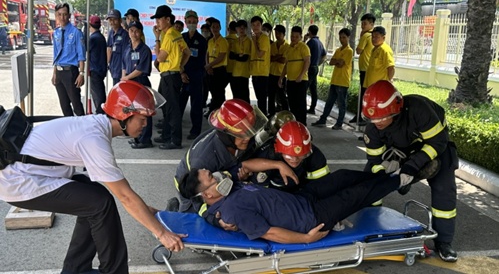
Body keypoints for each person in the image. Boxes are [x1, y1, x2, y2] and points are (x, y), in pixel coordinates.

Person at [0, 81, 185, 273]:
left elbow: (123, 192)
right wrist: (162, 233)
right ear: (125, 114)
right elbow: (125, 197)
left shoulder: (96, 126)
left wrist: (144, 209)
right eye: (142, 118)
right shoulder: (94, 139)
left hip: (34, 174)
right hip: (20, 182)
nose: (146, 125)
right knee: (99, 203)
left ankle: (75, 269)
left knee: (96, 197)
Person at [361, 80, 458, 262]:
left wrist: (411, 168)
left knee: (444, 190)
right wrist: (383, 174)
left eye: (381, 118)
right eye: (372, 119)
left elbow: (437, 142)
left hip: (436, 146)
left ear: (396, 110)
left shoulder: (419, 110)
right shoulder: (373, 128)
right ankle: (369, 227)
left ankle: (444, 242)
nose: (377, 123)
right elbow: (374, 160)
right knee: (369, 181)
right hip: (401, 149)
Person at [178, 166, 405, 244]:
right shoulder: (231, 212)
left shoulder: (227, 191)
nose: (218, 176)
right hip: (310, 218)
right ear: (207, 193)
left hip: (303, 198)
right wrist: (306, 239)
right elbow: (270, 234)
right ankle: (401, 179)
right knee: (358, 195)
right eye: (212, 178)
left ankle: (385, 173)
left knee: (343, 176)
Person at [170, 99, 270, 216]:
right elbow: (198, 199)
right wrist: (215, 219)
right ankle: (173, 211)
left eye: (249, 132)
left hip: (218, 177)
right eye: (242, 135)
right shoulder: (204, 161)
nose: (247, 139)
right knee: (192, 221)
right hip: (192, 187)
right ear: (227, 135)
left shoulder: (237, 138)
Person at [244, 121, 330, 193]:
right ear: (278, 150)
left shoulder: (315, 156)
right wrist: (279, 165)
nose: (295, 159)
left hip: (303, 194)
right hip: (273, 197)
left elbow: (323, 186)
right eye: (289, 156)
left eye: (301, 155)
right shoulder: (266, 156)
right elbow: (259, 194)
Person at [151, 5, 190, 150]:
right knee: (166, 106)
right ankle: (167, 135)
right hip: (169, 75)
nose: (157, 22)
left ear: (168, 19)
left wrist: (156, 39)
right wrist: (181, 66)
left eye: (159, 19)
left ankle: (175, 140)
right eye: (156, 19)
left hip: (170, 76)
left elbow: (160, 58)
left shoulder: (168, 36)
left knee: (172, 108)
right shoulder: (175, 34)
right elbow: (187, 52)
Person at [312, 28, 353, 130]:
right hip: (335, 80)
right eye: (340, 37)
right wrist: (337, 61)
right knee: (329, 102)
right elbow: (331, 62)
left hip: (343, 81)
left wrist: (337, 61)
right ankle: (323, 120)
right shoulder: (338, 50)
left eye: (344, 37)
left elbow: (340, 63)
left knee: (341, 104)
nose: (341, 39)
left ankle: (339, 123)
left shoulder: (349, 51)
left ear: (348, 38)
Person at [121, 21, 154, 149]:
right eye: (131, 31)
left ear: (141, 33)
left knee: (144, 112)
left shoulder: (144, 49)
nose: (134, 33)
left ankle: (145, 140)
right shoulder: (128, 48)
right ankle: (137, 137)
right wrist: (124, 78)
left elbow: (141, 69)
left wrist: (126, 78)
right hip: (130, 83)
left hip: (141, 83)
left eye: (136, 31)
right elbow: (124, 64)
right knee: (134, 112)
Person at [51, 3, 86, 117]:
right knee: (64, 105)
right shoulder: (56, 33)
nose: (62, 17)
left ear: (69, 15)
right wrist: (55, 73)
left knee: (76, 104)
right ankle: (70, 131)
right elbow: (56, 55)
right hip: (60, 72)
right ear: (56, 15)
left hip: (71, 72)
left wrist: (81, 73)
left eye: (65, 14)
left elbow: (81, 55)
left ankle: (83, 129)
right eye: (59, 14)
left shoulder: (76, 33)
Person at [180, 10, 208, 140]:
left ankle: (195, 131)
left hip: (196, 76)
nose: (191, 24)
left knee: (196, 105)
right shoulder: (181, 38)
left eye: (193, 21)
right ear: (185, 22)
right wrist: (182, 73)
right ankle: (175, 130)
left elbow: (202, 60)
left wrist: (193, 74)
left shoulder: (202, 40)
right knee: (179, 105)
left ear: (197, 22)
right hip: (181, 76)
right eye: (189, 21)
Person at [279, 26, 310, 125]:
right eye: (292, 36)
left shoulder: (304, 47)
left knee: (300, 104)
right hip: (290, 80)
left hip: (301, 81)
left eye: (296, 37)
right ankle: (294, 124)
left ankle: (302, 125)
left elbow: (307, 61)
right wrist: (281, 78)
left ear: (301, 37)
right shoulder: (289, 48)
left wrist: (301, 75)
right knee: (292, 104)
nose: (294, 39)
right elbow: (286, 65)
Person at [350, 13, 375, 125]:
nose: (362, 26)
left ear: (371, 24)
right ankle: (361, 115)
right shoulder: (373, 36)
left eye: (365, 23)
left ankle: (362, 116)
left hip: (365, 69)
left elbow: (358, 50)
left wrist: (361, 37)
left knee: (364, 94)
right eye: (362, 23)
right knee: (366, 94)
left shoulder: (366, 36)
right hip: (369, 69)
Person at [205, 18, 229, 114]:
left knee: (219, 93)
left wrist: (210, 65)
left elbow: (221, 57)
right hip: (210, 69)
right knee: (213, 92)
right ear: (210, 28)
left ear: (220, 28)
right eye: (213, 27)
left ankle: (221, 113)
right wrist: (208, 65)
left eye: (217, 27)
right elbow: (207, 54)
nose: (215, 29)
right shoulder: (210, 41)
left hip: (219, 70)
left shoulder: (223, 41)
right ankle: (213, 111)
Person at [250, 16, 271, 116]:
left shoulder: (264, 38)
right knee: (259, 98)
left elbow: (260, 54)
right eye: (253, 25)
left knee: (262, 99)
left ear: (261, 26)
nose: (255, 27)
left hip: (262, 72)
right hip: (255, 72)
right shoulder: (254, 37)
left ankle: (264, 119)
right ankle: (261, 118)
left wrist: (254, 41)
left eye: (258, 24)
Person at [304, 25, 326, 115]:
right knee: (313, 89)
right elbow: (324, 55)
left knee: (304, 88)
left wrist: (304, 40)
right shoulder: (320, 42)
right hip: (315, 67)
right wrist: (318, 63)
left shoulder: (311, 42)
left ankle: (303, 107)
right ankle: (312, 107)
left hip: (310, 67)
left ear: (309, 32)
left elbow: (303, 52)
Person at [269, 25, 290, 115]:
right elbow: (270, 58)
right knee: (271, 96)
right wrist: (279, 56)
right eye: (276, 33)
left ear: (283, 34)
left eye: (279, 33)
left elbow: (283, 60)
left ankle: (286, 113)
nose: (277, 35)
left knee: (282, 96)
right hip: (271, 73)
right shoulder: (272, 45)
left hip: (281, 74)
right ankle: (271, 113)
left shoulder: (287, 46)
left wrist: (276, 57)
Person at [88, 15, 107, 114]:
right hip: (101, 70)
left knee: (97, 96)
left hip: (94, 70)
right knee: (99, 93)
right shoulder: (101, 37)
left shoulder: (93, 39)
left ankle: (101, 115)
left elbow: (85, 50)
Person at [229, 20, 252, 103]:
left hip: (244, 73)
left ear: (246, 29)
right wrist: (239, 55)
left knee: (244, 96)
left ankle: (246, 115)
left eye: (243, 28)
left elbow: (244, 58)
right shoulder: (235, 41)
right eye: (239, 28)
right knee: (236, 96)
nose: (241, 30)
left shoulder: (248, 41)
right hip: (235, 72)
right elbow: (231, 56)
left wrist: (237, 55)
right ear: (236, 29)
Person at [107, 9, 130, 86]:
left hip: (121, 71)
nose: (112, 22)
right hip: (113, 70)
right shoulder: (111, 33)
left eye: (114, 20)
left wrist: (124, 73)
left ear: (120, 20)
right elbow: (109, 48)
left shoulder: (125, 35)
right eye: (110, 20)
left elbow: (125, 56)